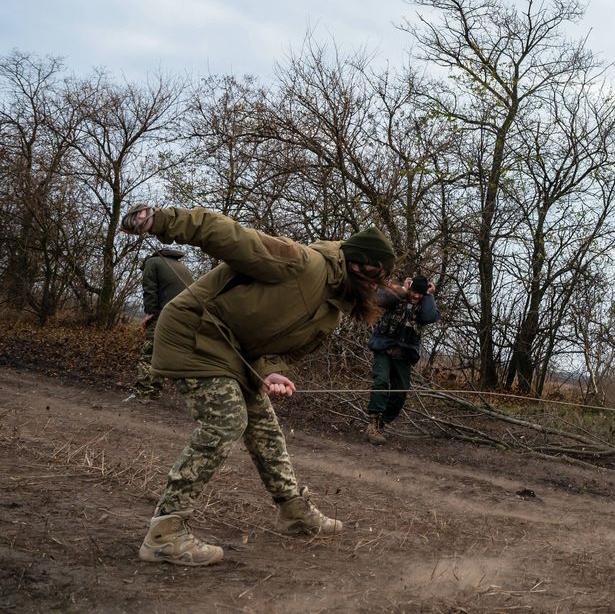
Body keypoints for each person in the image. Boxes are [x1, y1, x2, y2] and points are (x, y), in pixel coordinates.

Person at [119, 203, 395, 567]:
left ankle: (294, 511)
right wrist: (163, 220)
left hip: (235, 351)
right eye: (376, 279)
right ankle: (165, 534)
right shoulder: (302, 262)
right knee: (227, 422)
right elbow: (229, 235)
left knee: (264, 427)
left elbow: (281, 349)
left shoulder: (330, 311)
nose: (375, 290)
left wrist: (271, 370)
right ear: (360, 266)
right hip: (194, 331)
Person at [364, 274, 440, 445]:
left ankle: (381, 423)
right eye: (414, 292)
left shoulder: (425, 305)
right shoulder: (397, 296)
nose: (416, 296)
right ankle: (372, 425)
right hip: (384, 350)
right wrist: (403, 290)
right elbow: (379, 300)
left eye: (420, 294)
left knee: (400, 392)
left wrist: (429, 295)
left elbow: (430, 317)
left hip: (404, 356)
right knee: (381, 382)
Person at [127, 247, 194, 402]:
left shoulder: (152, 262)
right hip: (186, 316)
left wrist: (151, 313)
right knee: (162, 353)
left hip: (166, 314)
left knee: (149, 352)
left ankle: (142, 394)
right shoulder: (180, 266)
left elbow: (149, 289)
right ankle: (154, 392)